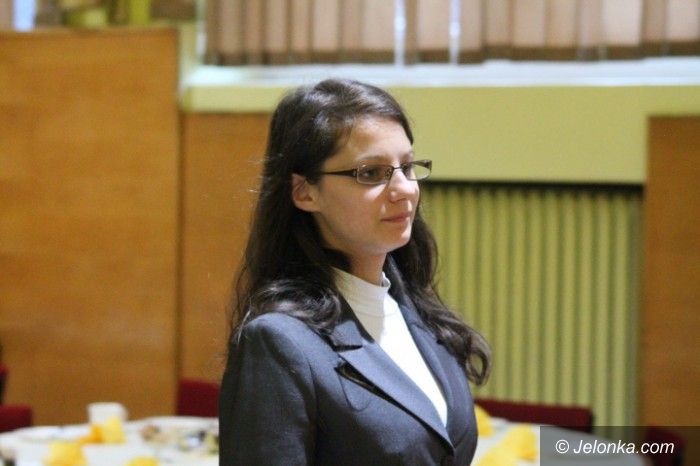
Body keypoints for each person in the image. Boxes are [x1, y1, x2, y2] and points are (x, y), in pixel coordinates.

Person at [219, 78, 491, 465]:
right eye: (371, 173)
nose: (404, 189)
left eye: (407, 166)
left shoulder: (413, 309)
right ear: (305, 192)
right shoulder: (278, 343)